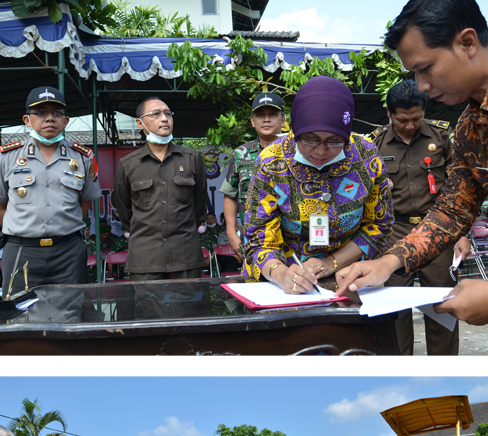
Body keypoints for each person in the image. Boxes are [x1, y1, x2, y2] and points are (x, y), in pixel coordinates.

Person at [338, 0, 488, 337]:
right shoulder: (470, 128)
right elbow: (453, 209)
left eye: (425, 68)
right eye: (414, 73)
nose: (421, 85)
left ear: (467, 42)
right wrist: (389, 261)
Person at [241, 77, 393, 300]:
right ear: (294, 131)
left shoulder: (366, 155)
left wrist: (331, 263)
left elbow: (379, 224)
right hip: (287, 284)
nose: (321, 151)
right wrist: (281, 274)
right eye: (310, 139)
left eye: (334, 141)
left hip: (351, 277)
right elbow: (259, 237)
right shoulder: (271, 162)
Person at [368, 79, 471, 355]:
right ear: (389, 114)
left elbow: (460, 189)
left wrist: (460, 234)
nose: (410, 125)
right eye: (403, 120)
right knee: (394, 311)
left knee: (442, 307)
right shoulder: (374, 144)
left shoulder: (441, 138)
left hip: (438, 231)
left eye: (416, 118)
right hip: (393, 232)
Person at [0, 87, 100, 293]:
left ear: (66, 120)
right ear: (27, 120)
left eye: (57, 113)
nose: (50, 118)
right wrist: (23, 227)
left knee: (70, 313)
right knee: (19, 316)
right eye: (41, 112)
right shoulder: (6, 156)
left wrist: (61, 228)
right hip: (21, 251)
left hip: (68, 252)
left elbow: (85, 203)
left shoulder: (82, 157)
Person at [112, 99, 209, 279]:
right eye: (156, 114)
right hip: (145, 261)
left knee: (190, 307)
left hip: (185, 258)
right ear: (140, 123)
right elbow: (124, 211)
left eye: (168, 113)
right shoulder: (128, 164)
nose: (164, 118)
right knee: (147, 308)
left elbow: (199, 206)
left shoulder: (191, 158)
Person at [221, 94, 285, 263]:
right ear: (252, 121)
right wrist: (231, 233)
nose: (266, 120)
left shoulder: (295, 152)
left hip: (292, 240)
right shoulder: (241, 154)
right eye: (260, 115)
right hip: (253, 241)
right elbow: (230, 194)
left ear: (283, 120)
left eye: (272, 114)